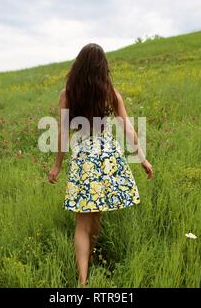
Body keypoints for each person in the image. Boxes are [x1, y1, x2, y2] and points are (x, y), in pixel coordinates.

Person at [48, 43, 153, 287]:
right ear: (102, 67)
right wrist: (142, 158)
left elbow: (63, 133)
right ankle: (87, 267)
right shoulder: (111, 93)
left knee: (84, 219)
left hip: (83, 154)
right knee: (96, 211)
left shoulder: (67, 94)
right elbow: (128, 129)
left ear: (78, 66)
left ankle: (83, 281)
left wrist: (57, 166)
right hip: (106, 155)